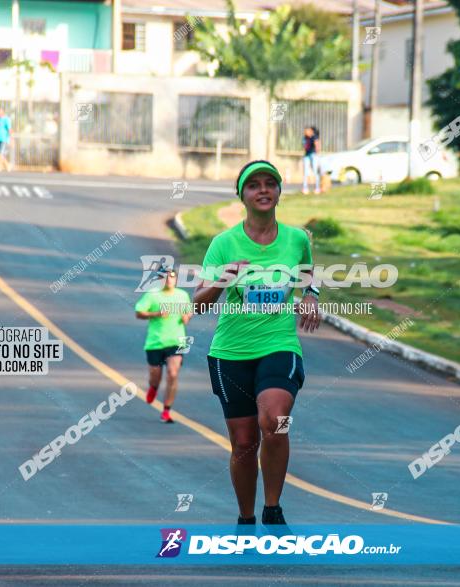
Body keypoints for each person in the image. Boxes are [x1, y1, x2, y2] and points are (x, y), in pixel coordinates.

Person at [194, 160, 321, 527]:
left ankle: (273, 508)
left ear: (279, 192)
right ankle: (246, 517)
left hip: (279, 343)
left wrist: (310, 295)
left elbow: (308, 272)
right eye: (254, 185)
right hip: (230, 352)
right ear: (242, 196)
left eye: (270, 184)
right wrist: (222, 279)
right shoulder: (224, 243)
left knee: (276, 420)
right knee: (245, 442)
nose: (263, 190)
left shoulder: (297, 239)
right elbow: (198, 302)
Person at [135, 264, 192, 423]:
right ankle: (153, 387)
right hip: (155, 342)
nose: (169, 279)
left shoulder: (182, 295)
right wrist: (156, 313)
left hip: (177, 341)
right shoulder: (152, 295)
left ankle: (166, 411)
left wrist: (187, 316)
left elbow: (188, 311)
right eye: (166, 276)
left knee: (173, 374)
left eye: (172, 276)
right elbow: (139, 313)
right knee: (155, 376)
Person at [302, 126, 321, 194]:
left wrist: (317, 156)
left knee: (315, 171)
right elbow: (304, 146)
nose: (305, 132)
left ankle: (317, 188)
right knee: (305, 172)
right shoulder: (305, 138)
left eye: (306, 131)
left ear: (310, 131)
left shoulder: (314, 137)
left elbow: (317, 146)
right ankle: (305, 188)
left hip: (313, 155)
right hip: (307, 155)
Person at [0, 107, 12, 172]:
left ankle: (0, 166)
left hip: (4, 139)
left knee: (0, 153)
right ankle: (7, 165)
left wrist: (11, 139)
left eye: (0, 111)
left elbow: (9, 129)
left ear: (3, 112)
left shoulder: (6, 119)